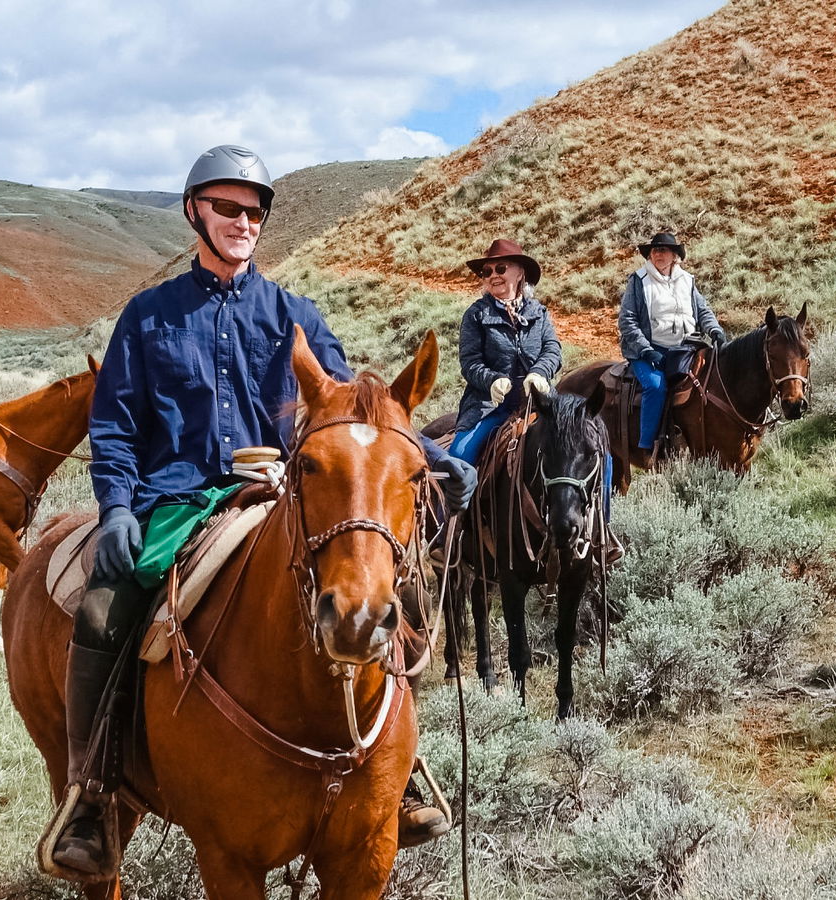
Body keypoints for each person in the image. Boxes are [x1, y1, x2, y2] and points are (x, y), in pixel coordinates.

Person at [51, 145, 476, 877]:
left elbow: (351, 416)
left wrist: (432, 461)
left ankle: (396, 772)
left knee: (380, 594)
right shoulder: (149, 318)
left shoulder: (294, 315)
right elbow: (116, 424)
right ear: (195, 213)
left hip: (283, 491)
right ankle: (92, 794)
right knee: (102, 612)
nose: (244, 222)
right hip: (178, 500)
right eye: (228, 208)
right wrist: (117, 506)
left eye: (255, 211)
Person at [447, 239, 562, 465]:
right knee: (459, 458)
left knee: (597, 450)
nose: (493, 275)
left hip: (540, 402)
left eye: (501, 268)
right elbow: (470, 362)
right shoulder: (476, 314)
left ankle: (600, 501)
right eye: (486, 272)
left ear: (520, 273)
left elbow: (552, 349)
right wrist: (492, 380)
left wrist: (539, 373)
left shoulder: (539, 312)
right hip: (488, 406)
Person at [616, 232, 726, 465]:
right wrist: (645, 350)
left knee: (708, 383)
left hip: (685, 348)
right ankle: (648, 448)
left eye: (663, 250)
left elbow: (703, 310)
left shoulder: (687, 280)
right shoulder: (638, 280)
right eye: (654, 250)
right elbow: (627, 320)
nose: (657, 254)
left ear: (675, 256)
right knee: (655, 386)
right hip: (648, 349)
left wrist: (714, 330)